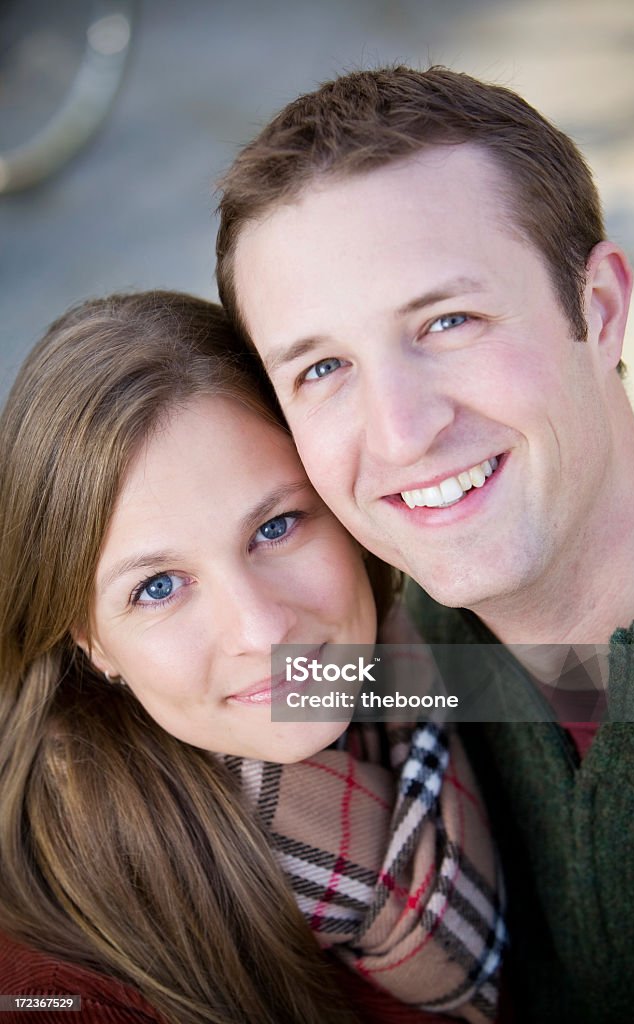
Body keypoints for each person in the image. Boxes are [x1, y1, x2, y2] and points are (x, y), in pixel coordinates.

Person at [215, 66, 634, 1023]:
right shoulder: (376, 652)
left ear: (594, 309)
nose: (400, 431)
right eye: (324, 367)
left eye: (448, 321)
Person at [0, 291, 503, 1024]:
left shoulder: (444, 658)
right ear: (89, 639)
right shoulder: (54, 981)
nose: (263, 631)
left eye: (276, 527)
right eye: (159, 587)